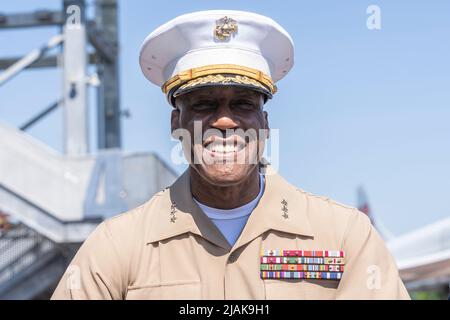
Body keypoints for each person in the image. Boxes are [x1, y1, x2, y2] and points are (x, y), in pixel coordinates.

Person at [51, 10, 410, 300]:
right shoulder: (117, 247)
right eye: (204, 104)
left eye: (242, 103)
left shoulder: (344, 236)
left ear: (264, 123)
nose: (224, 120)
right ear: (177, 121)